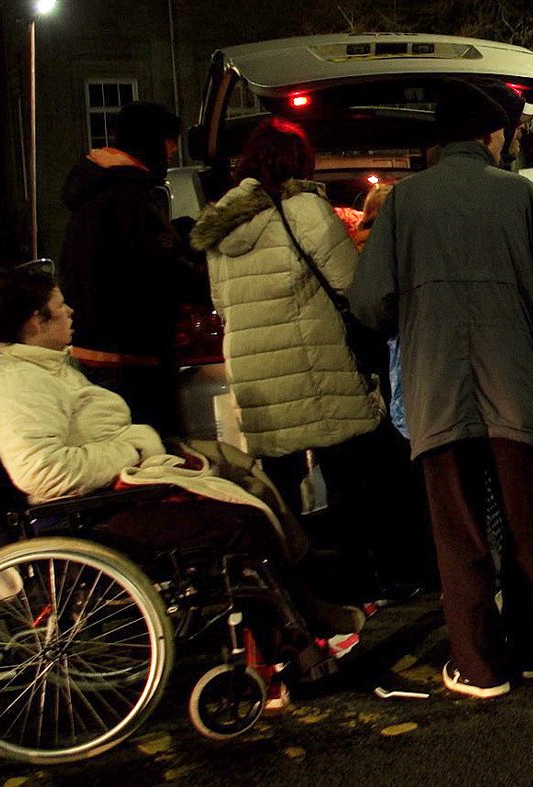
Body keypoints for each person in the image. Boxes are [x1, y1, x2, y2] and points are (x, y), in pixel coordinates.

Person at [0, 265, 363, 659]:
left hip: (112, 492)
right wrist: (134, 449)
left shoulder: (48, 369)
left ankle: (305, 608)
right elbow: (42, 472)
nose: (71, 312)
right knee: (238, 518)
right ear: (36, 322)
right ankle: (291, 640)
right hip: (88, 516)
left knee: (241, 473)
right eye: (60, 307)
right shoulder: (18, 386)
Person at [349, 78, 533, 699]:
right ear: (491, 135)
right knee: (530, 521)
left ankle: (479, 666)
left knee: (458, 529)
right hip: (517, 386)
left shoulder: (401, 204)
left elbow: (370, 302)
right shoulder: (523, 199)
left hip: (435, 388)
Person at [190, 117, 407, 606]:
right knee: (351, 475)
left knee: (280, 487)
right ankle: (363, 577)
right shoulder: (305, 209)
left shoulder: (222, 222)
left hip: (256, 376)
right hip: (318, 364)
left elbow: (221, 301)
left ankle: (293, 587)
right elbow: (353, 283)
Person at [58, 101, 207, 433]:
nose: (172, 152)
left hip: (98, 354)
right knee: (149, 457)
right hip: (129, 361)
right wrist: (210, 277)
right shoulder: (127, 196)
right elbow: (163, 272)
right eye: (170, 141)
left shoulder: (100, 191)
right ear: (152, 140)